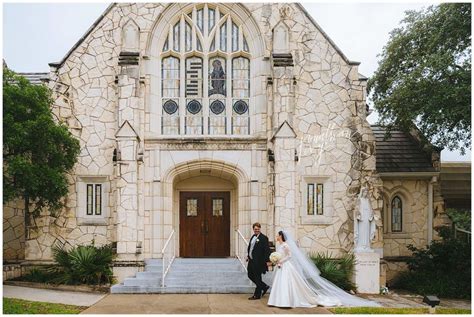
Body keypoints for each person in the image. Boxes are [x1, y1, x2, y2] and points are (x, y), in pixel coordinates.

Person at [268, 230, 380, 308]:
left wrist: (281, 261)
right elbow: (280, 255)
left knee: (287, 283)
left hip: (285, 265)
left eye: (278, 235)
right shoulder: (279, 246)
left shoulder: (286, 245)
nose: (276, 237)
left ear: (281, 236)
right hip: (280, 266)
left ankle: (286, 301)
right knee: (281, 283)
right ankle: (277, 300)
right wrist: (276, 260)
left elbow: (290, 256)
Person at [246, 222, 271, 300]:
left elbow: (267, 250)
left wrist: (267, 261)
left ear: (260, 229)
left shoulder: (264, 238)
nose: (256, 230)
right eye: (255, 229)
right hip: (251, 260)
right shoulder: (253, 236)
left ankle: (257, 295)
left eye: (258, 229)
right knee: (250, 274)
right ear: (253, 229)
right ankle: (264, 286)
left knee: (257, 277)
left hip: (259, 262)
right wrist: (248, 256)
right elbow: (251, 248)